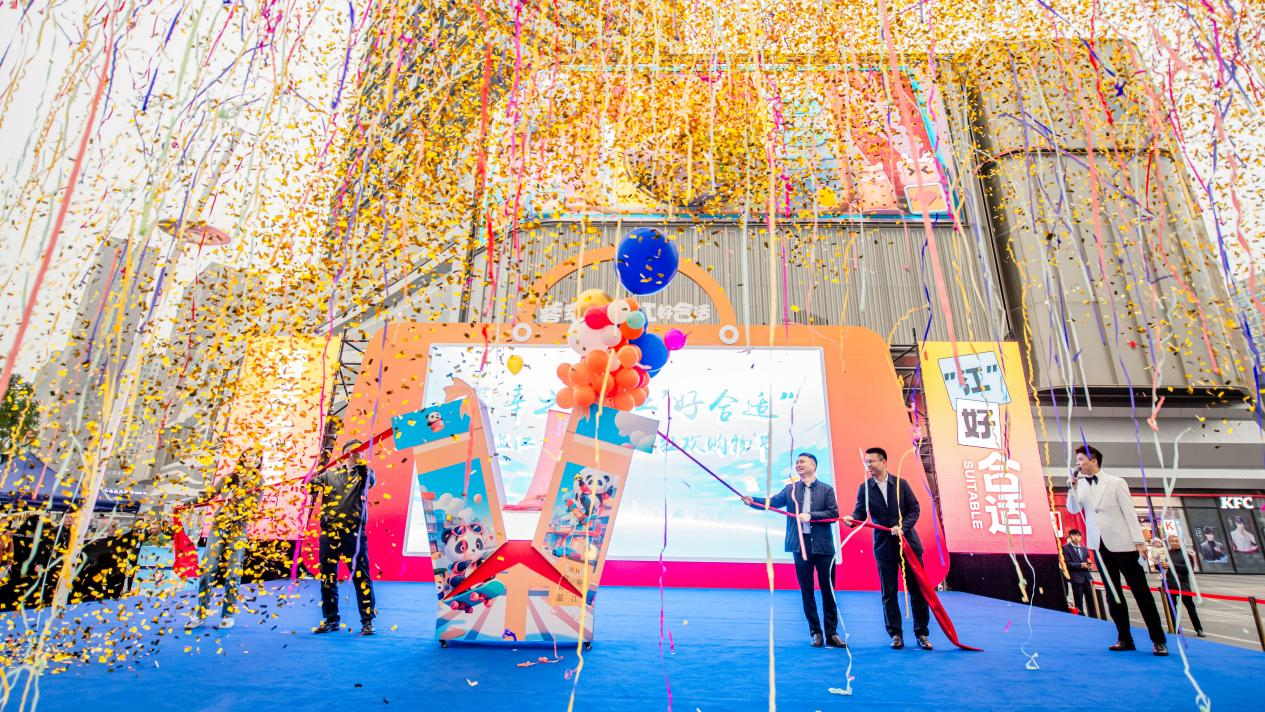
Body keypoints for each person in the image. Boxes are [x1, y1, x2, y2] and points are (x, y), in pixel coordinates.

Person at [1065, 445, 1167, 656]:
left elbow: (1129, 512)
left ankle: (1158, 640)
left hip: (1124, 544)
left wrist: (1139, 541)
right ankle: (1124, 638)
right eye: (1077, 461)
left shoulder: (1116, 482)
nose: (1078, 464)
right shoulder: (1080, 485)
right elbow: (1073, 509)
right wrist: (1072, 488)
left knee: (1141, 593)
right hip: (1099, 545)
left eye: (1081, 459)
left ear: (1094, 460)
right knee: (1113, 594)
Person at [742, 452, 845, 649]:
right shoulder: (791, 489)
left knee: (828, 591)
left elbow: (833, 514)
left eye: (802, 462)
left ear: (813, 466)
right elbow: (772, 502)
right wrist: (753, 500)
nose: (798, 464)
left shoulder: (826, 489)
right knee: (807, 591)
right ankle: (815, 632)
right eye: (796, 462)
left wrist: (811, 516)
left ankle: (832, 633)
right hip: (800, 546)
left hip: (823, 547)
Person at [842, 447, 932, 651]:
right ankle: (896, 634)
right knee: (888, 592)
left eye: (872, 461)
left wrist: (902, 527)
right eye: (866, 462)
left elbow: (914, 509)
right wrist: (851, 519)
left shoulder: (901, 484)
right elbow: (859, 513)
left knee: (917, 591)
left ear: (884, 462)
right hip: (883, 546)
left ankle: (922, 634)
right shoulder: (864, 488)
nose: (868, 465)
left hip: (908, 544)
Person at [188, 450, 263, 630]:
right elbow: (209, 494)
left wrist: (239, 501)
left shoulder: (259, 482)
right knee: (207, 569)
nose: (252, 458)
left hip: (237, 529)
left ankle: (228, 614)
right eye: (249, 455)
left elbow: (254, 507)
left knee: (233, 572)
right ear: (243, 458)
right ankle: (200, 614)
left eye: (256, 456)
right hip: (218, 527)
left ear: (259, 461)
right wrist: (188, 502)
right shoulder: (229, 478)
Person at [309, 439, 377, 635]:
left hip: (353, 533)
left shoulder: (365, 473)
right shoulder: (329, 474)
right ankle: (331, 620)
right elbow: (310, 488)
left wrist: (361, 464)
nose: (358, 453)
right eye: (354, 450)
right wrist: (309, 479)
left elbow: (368, 481)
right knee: (328, 577)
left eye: (361, 451)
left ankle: (367, 621)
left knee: (361, 576)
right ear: (345, 453)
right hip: (329, 532)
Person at [1155, 535, 1205, 637]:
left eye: (1177, 541)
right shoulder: (1166, 554)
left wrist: (1171, 565)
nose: (1175, 543)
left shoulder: (1186, 554)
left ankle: (1198, 629)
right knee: (1172, 608)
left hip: (1183, 585)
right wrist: (1157, 563)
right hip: (1169, 584)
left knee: (1190, 608)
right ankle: (1175, 628)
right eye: (1172, 541)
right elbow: (1161, 568)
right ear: (1169, 542)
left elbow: (1188, 569)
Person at [1062, 529, 1095, 617]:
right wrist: (1080, 565)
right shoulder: (1065, 548)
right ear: (1070, 536)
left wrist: (1090, 565)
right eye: (1073, 535)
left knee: (1092, 600)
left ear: (1080, 537)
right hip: (1076, 578)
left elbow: (1088, 560)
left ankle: (1094, 616)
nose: (1076, 537)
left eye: (1078, 535)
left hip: (1087, 577)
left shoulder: (1084, 548)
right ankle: (1081, 617)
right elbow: (1067, 563)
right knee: (1078, 601)